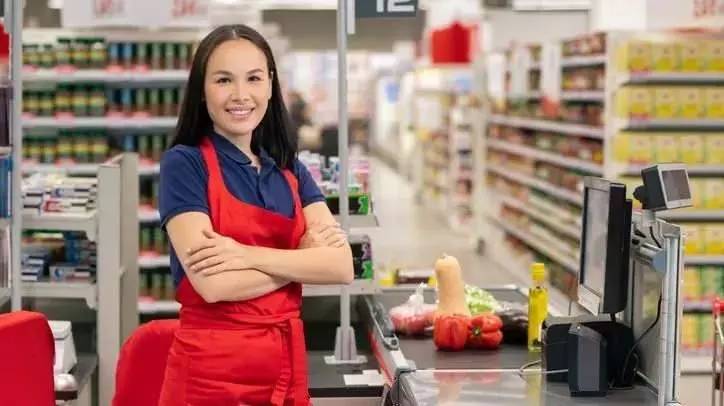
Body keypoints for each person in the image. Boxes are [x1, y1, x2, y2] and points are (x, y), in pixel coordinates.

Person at [157, 24, 354, 406]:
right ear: (201, 90)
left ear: (270, 85)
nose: (240, 95)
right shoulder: (185, 164)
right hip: (208, 380)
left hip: (286, 371)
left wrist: (244, 255)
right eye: (223, 80)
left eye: (253, 79)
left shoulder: (289, 169)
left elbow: (342, 266)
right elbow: (213, 285)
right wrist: (302, 257)